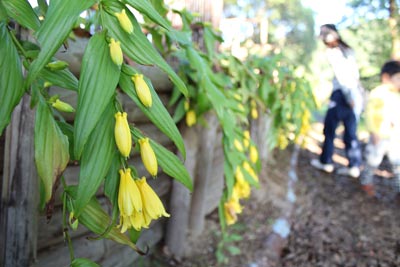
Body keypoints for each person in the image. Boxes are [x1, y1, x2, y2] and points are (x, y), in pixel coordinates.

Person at [310, 24, 364, 178]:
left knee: (330, 129)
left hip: (343, 95)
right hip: (352, 95)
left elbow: (344, 77)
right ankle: (354, 165)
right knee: (350, 131)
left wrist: (349, 97)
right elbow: (355, 76)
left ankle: (326, 161)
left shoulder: (335, 52)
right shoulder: (348, 50)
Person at [361, 60, 400, 196]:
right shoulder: (378, 93)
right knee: (373, 161)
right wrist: (373, 131)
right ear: (386, 77)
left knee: (397, 164)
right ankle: (366, 183)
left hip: (395, 137)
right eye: (398, 78)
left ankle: (398, 189)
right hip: (380, 136)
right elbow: (370, 114)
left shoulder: (397, 95)